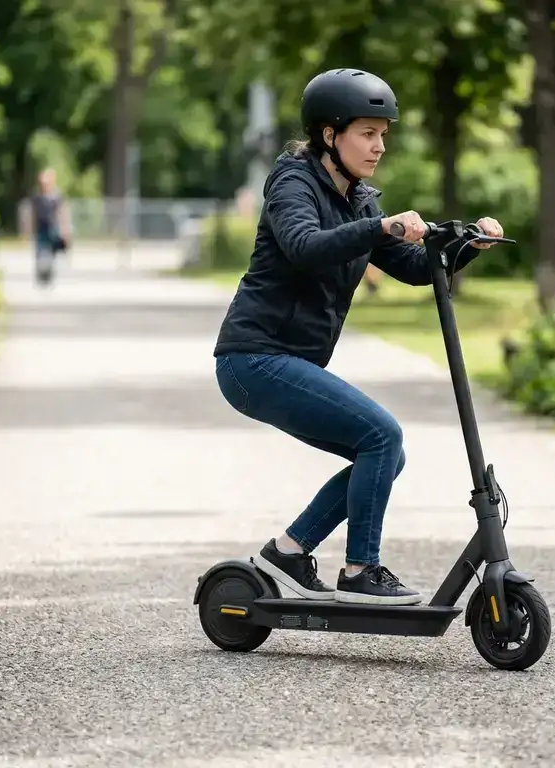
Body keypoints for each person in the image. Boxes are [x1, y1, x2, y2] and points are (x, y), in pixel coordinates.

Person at [213, 68, 504, 606]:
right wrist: (381, 226)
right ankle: (359, 570)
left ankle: (288, 552)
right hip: (253, 358)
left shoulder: (359, 199)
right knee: (382, 436)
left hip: (287, 361)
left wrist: (467, 246)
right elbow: (304, 245)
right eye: (367, 133)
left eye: (383, 134)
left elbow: (413, 268)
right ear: (330, 134)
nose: (380, 146)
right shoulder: (293, 184)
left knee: (385, 453)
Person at [21, 168, 71, 285]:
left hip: (53, 227)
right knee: (40, 249)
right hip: (40, 228)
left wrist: (65, 230)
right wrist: (27, 230)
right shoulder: (36, 197)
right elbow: (31, 214)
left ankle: (49, 270)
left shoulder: (57, 196)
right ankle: (41, 271)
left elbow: (63, 213)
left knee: (53, 249)